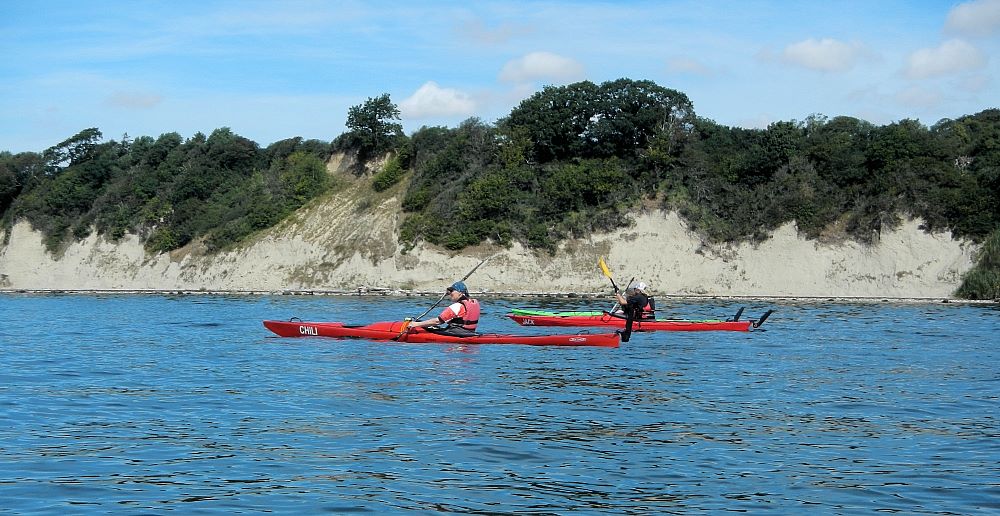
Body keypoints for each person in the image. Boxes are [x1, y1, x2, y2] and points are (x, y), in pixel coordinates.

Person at [408, 281, 481, 336]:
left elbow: (437, 321)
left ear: (460, 293)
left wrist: (416, 324)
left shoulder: (457, 306)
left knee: (426, 326)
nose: (450, 293)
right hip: (470, 333)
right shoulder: (474, 303)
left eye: (452, 291)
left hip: (456, 334)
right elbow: (462, 320)